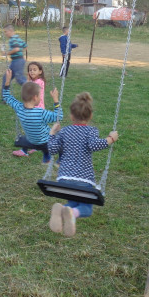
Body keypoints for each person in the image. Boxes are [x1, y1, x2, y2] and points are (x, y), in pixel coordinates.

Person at [46, 92, 118, 237]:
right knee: (86, 208)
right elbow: (94, 145)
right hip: (83, 180)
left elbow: (52, 149)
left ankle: (63, 210)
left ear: (71, 116)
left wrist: (52, 133)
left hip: (64, 178)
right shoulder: (91, 131)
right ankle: (72, 213)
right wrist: (111, 139)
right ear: (90, 116)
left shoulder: (64, 131)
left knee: (73, 202)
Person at [2, 69, 61, 163]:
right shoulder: (41, 113)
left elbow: (7, 96)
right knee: (61, 135)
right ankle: (59, 159)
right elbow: (58, 116)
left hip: (30, 142)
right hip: (45, 142)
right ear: (35, 97)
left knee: (41, 138)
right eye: (39, 95)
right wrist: (56, 100)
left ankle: (46, 157)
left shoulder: (19, 108)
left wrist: (7, 81)